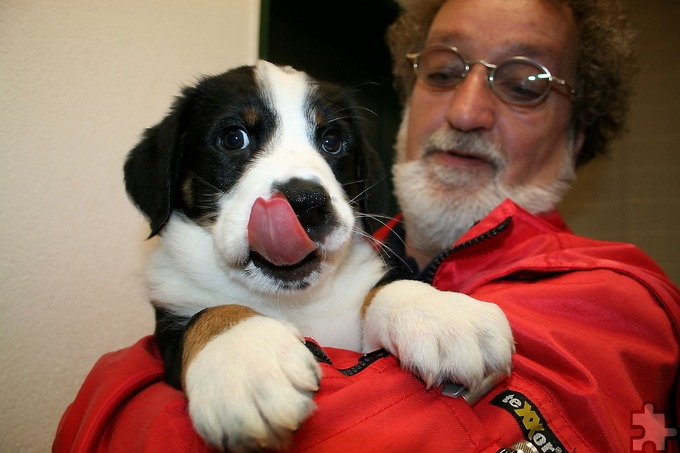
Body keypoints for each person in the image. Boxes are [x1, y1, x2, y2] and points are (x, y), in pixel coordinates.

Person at [54, 0, 679, 452]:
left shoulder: (613, 298)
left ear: (578, 136)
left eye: (524, 84)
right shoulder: (374, 249)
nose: (466, 110)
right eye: (442, 71)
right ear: (408, 106)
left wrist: (132, 379)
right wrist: (197, 335)